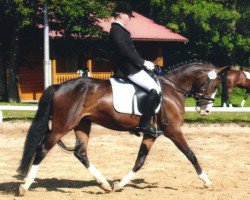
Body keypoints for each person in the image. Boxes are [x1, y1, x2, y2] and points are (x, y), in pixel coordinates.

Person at [109, 2, 161, 137]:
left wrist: (144, 63)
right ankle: (144, 124)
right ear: (120, 14)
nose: (129, 18)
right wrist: (143, 62)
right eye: (128, 15)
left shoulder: (120, 30)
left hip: (132, 66)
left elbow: (131, 51)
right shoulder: (116, 29)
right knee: (154, 90)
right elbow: (126, 51)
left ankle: (134, 122)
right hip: (128, 69)